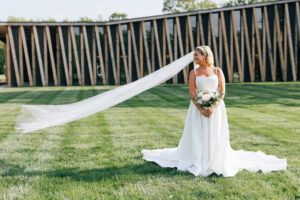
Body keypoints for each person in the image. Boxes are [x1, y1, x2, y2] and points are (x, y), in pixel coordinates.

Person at [141, 45, 287, 177]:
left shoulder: (217, 71)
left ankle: (215, 159)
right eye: (194, 55)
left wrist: (213, 107)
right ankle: (198, 158)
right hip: (197, 110)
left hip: (216, 109)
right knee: (198, 134)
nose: (194, 58)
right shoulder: (194, 73)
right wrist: (201, 108)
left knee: (215, 134)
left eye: (196, 55)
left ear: (205, 56)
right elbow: (192, 94)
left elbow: (222, 91)